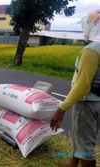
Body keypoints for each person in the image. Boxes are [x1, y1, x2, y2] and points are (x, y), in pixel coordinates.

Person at [50, 10, 100, 167]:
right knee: (83, 137)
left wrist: (61, 109)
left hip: (87, 103)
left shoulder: (92, 50)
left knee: (86, 147)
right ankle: (73, 163)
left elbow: (83, 85)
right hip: (97, 101)